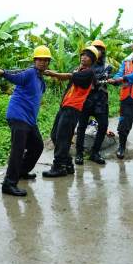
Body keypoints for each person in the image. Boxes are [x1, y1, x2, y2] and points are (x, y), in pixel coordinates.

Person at [0, 45, 51, 196]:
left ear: (48, 62)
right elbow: (16, 78)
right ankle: (9, 184)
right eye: (39, 59)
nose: (42, 62)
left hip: (29, 120)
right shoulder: (29, 72)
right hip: (18, 115)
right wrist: (3, 73)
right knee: (18, 150)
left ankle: (22, 171)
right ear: (34, 60)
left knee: (37, 146)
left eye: (45, 60)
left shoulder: (40, 80)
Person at [42, 46, 98, 177]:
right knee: (55, 135)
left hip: (73, 108)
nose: (84, 57)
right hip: (65, 106)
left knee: (62, 137)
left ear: (92, 60)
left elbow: (68, 76)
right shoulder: (78, 70)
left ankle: (59, 167)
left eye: (88, 56)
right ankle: (67, 163)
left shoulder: (89, 73)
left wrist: (53, 74)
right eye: (83, 55)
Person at [74, 40, 113, 165]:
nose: (97, 50)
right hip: (85, 99)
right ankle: (79, 153)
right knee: (81, 127)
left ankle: (95, 153)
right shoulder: (84, 65)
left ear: (103, 51)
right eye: (95, 48)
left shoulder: (107, 66)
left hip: (101, 100)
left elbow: (101, 78)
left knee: (103, 126)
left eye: (99, 48)